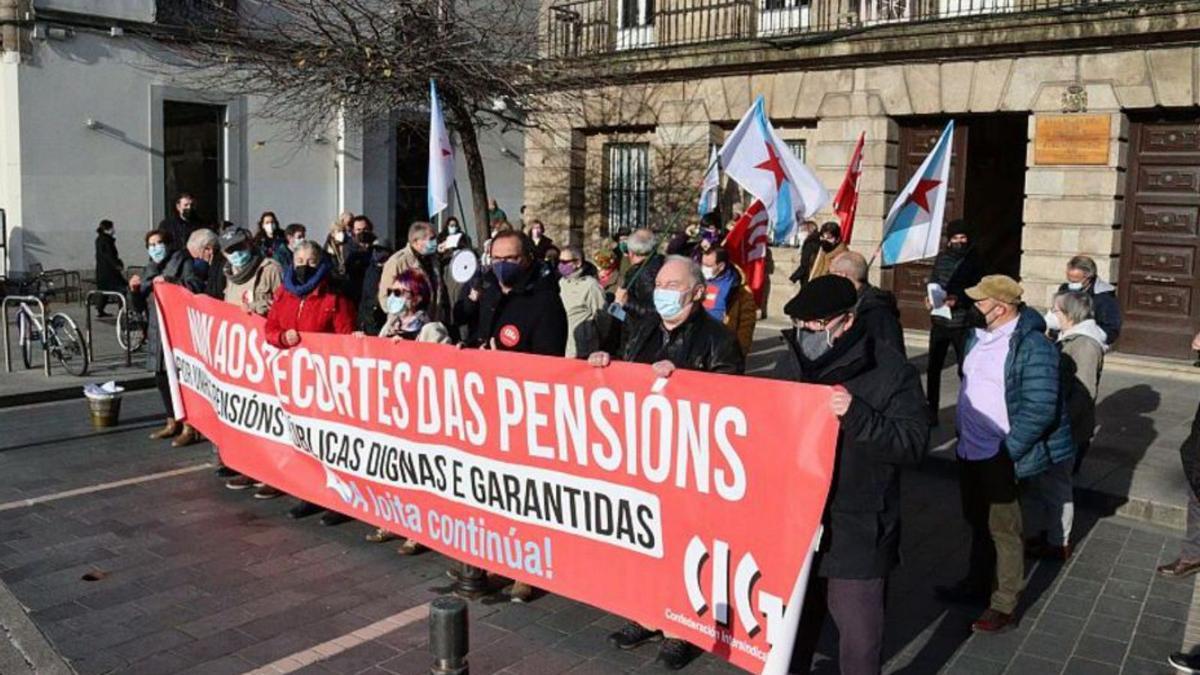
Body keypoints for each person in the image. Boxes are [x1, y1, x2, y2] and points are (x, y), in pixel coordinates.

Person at [590, 255, 742, 670]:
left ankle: (682, 630)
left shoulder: (717, 339)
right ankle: (646, 615)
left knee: (684, 545)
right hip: (642, 457)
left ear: (697, 292)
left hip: (688, 463)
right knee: (645, 541)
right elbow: (624, 374)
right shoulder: (642, 329)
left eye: (673, 285)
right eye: (659, 283)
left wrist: (684, 381)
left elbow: (731, 403)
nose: (663, 292)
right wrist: (606, 368)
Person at [781, 275, 929, 675]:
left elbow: (913, 444)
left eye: (816, 324)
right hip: (797, 521)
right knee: (789, 631)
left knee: (860, 638)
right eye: (801, 324)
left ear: (846, 321)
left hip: (858, 524)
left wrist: (858, 416)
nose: (807, 332)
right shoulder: (791, 360)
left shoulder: (891, 371)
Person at [936, 275, 1074, 634]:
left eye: (980, 302)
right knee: (977, 521)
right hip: (969, 449)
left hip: (1000, 454)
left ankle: (1004, 604)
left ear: (1001, 307)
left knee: (1005, 530)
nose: (974, 307)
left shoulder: (1033, 346)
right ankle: (977, 583)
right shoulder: (978, 337)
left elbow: (1040, 407)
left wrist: (1007, 452)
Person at [264, 241, 356, 524]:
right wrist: (282, 338)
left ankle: (339, 501)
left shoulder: (334, 297)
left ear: (321, 263)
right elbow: (270, 329)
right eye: (300, 260)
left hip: (326, 383)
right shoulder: (284, 293)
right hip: (295, 383)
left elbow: (344, 338)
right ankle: (310, 495)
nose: (305, 265)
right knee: (303, 440)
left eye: (311, 261)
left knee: (330, 442)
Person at [362, 269, 451, 548]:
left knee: (414, 471)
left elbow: (441, 366)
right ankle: (390, 519)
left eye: (400, 293)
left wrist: (410, 353)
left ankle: (417, 529)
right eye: (391, 293)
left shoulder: (430, 328)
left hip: (416, 410)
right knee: (390, 466)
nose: (393, 298)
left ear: (417, 297)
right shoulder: (390, 325)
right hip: (390, 408)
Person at [1024, 291, 1104, 558]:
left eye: (1056, 310)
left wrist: (1059, 423)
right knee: (1050, 484)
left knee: (1058, 484)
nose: (1051, 314)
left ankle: (1059, 542)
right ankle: (1051, 533)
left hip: (1067, 427)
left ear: (1070, 315)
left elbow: (1083, 392)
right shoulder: (1069, 339)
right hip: (1062, 424)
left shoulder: (1085, 345)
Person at [218, 227, 286, 489]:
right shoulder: (230, 274)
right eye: (230, 250)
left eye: (239, 247)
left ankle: (274, 474)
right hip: (241, 355)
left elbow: (283, 304)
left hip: (266, 352)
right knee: (248, 415)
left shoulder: (269, 268)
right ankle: (251, 465)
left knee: (270, 415)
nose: (236, 254)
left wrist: (256, 308)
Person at [130, 228, 205, 448]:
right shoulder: (149, 269)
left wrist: (171, 282)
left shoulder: (183, 263)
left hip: (179, 327)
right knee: (161, 377)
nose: (155, 248)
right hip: (157, 328)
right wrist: (134, 290)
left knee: (182, 377)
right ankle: (171, 420)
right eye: (151, 245)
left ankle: (190, 426)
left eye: (159, 243)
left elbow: (195, 287)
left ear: (169, 243)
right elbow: (139, 304)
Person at [457, 230, 567, 357]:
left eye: (511, 258)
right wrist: (469, 346)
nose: (502, 264)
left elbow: (549, 362)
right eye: (496, 258)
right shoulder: (489, 290)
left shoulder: (546, 301)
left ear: (528, 258)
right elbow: (483, 333)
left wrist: (505, 362)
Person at [925, 219, 983, 423]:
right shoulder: (942, 257)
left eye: (963, 237)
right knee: (934, 368)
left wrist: (958, 300)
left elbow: (978, 289)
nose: (959, 241)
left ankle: (968, 409)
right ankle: (931, 409)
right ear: (949, 240)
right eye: (955, 238)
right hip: (940, 320)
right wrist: (930, 298)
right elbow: (934, 279)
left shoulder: (974, 259)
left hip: (961, 322)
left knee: (964, 369)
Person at [830, 250, 905, 356]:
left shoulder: (878, 310)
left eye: (832, 275)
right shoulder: (848, 303)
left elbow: (894, 355)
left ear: (842, 275)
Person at [378, 222, 447, 323]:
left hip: (430, 321)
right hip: (406, 324)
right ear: (416, 242)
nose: (435, 242)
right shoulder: (398, 262)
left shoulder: (433, 260)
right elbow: (385, 298)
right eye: (431, 239)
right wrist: (401, 317)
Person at [699, 247, 757, 357]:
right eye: (703, 264)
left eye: (708, 266)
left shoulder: (739, 289)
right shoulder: (696, 280)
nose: (704, 268)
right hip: (698, 341)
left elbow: (747, 323)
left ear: (721, 266)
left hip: (722, 343)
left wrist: (739, 350)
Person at [1053, 255, 1121, 346]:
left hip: (1088, 343)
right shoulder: (1064, 289)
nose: (1072, 284)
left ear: (1089, 277)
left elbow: (1111, 329)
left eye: (1076, 281)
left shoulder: (1104, 297)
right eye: (1070, 280)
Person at [558, 246, 608, 359]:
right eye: (560, 261)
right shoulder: (561, 283)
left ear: (578, 262)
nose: (561, 265)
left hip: (583, 348)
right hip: (564, 344)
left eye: (565, 262)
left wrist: (593, 338)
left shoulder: (591, 285)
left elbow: (603, 317)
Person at [613, 228, 664, 325]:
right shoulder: (659, 264)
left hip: (644, 334)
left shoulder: (646, 273)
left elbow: (656, 313)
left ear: (631, 252)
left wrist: (627, 302)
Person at [93, 220, 124, 317]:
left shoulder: (100, 239)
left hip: (103, 271)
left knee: (104, 291)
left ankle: (100, 309)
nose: (114, 229)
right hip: (110, 271)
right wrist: (117, 265)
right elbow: (109, 255)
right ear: (108, 229)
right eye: (112, 227)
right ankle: (123, 310)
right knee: (122, 289)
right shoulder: (106, 241)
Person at [788, 220, 822, 288]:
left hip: (809, 277)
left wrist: (794, 277)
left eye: (802, 230)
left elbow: (805, 264)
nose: (800, 233)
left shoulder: (810, 244)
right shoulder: (817, 241)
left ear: (809, 230)